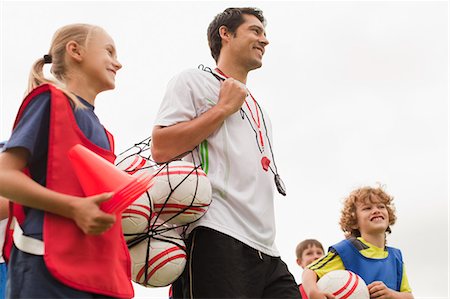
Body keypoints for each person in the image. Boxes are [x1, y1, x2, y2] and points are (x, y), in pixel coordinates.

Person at [151, 7, 300, 299]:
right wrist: (222, 109)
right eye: (255, 31)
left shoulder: (260, 109)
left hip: (267, 249)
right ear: (226, 34)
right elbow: (161, 147)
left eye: (265, 34)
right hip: (215, 234)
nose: (265, 40)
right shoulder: (193, 80)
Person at [0, 24, 133, 298]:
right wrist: (74, 208)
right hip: (46, 269)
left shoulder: (106, 135)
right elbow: (4, 176)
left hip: (93, 274)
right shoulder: (51, 102)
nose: (118, 63)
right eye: (109, 51)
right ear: (76, 51)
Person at [302, 186, 414, 299]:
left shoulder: (395, 258)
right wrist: (313, 292)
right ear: (354, 222)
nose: (376, 210)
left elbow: (409, 296)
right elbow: (309, 271)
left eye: (381, 206)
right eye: (367, 208)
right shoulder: (347, 250)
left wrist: (391, 295)